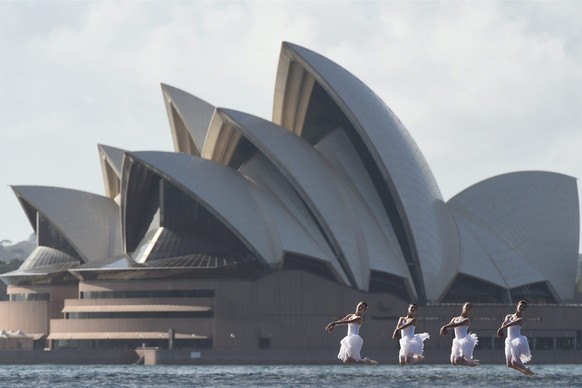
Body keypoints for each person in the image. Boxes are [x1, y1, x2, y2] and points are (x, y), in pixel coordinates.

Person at [496, 300, 534, 376]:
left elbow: (510, 324)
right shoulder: (509, 316)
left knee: (515, 361)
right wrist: (501, 328)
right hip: (509, 340)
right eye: (521, 306)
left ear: (524, 309)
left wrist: (501, 328)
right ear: (517, 306)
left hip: (517, 341)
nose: (522, 307)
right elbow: (505, 323)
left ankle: (527, 370)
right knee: (509, 364)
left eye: (524, 307)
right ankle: (526, 372)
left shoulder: (520, 320)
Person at [440, 302, 480, 366]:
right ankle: (470, 362)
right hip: (457, 341)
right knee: (453, 362)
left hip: (464, 341)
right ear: (463, 307)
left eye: (470, 307)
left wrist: (445, 327)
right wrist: (444, 328)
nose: (468, 308)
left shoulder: (467, 320)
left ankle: (470, 363)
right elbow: (449, 325)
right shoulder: (455, 318)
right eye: (467, 306)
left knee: (457, 360)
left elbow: (456, 325)